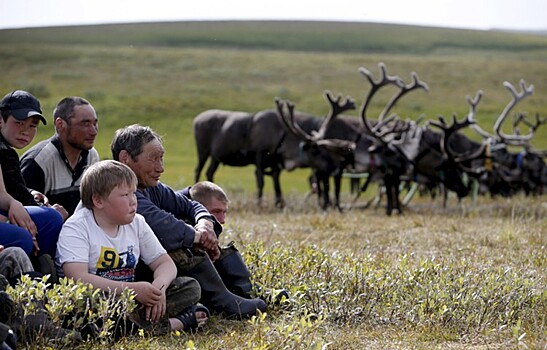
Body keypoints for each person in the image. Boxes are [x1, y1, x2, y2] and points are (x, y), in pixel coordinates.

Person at [111, 124, 267, 319]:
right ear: (125, 158)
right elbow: (160, 224)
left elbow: (191, 205)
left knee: (190, 229)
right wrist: (198, 237)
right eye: (153, 158)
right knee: (179, 240)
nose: (161, 167)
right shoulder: (118, 190)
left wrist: (205, 224)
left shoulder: (152, 187)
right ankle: (222, 299)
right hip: (127, 277)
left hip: (152, 271)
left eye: (162, 158)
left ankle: (244, 290)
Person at [56, 160, 209, 334]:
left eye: (134, 194)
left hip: (131, 299)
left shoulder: (137, 222)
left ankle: (127, 326)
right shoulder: (77, 227)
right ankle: (173, 324)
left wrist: (158, 290)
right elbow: (78, 278)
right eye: (124, 195)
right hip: (99, 299)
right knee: (86, 301)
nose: (133, 201)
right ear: (98, 200)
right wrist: (133, 290)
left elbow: (164, 263)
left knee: (189, 286)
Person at [181, 181, 289, 304]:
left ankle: (247, 289)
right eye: (216, 212)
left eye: (224, 212)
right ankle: (229, 297)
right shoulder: (174, 211)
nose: (222, 220)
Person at [0, 90, 66, 262]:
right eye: (19, 123)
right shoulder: (5, 152)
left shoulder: (6, 149)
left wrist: (29, 193)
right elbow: (16, 194)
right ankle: (42, 267)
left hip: (6, 207)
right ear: (1, 119)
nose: (25, 132)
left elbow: (9, 190)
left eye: (32, 126)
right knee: (51, 218)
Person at [21, 96, 100, 217]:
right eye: (85, 124)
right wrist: (51, 215)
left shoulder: (92, 156)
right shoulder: (37, 161)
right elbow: (23, 214)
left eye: (95, 123)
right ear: (60, 124)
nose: (93, 131)